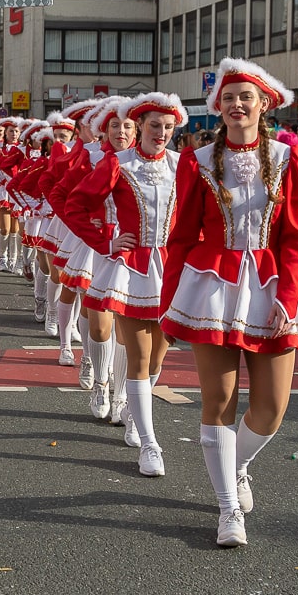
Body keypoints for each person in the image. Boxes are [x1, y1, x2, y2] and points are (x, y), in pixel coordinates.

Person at [160, 58, 298, 548]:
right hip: (213, 287)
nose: (236, 105)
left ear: (263, 104)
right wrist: (170, 304)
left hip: (272, 285)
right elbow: (182, 236)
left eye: (244, 97)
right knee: (220, 401)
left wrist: (289, 296)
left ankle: (237, 464)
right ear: (218, 107)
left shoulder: (287, 157)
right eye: (227, 98)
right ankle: (227, 506)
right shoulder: (197, 160)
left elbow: (297, 236)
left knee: (272, 409)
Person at [66, 93, 186, 474]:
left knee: (158, 357)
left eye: (168, 128)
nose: (162, 134)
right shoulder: (118, 163)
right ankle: (149, 442)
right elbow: (75, 205)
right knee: (137, 353)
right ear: (141, 126)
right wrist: (106, 241)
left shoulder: (184, 166)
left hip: (169, 269)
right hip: (131, 268)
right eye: (155, 126)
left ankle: (136, 415)